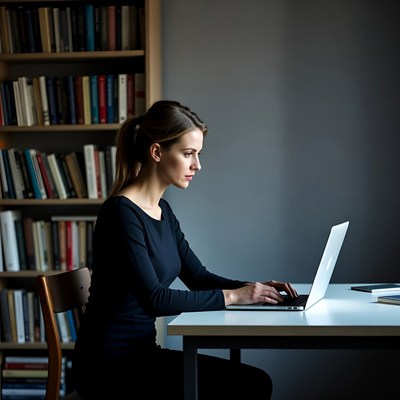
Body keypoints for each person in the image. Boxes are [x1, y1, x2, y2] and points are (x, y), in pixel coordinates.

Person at [72, 100, 298, 399]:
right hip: (111, 367)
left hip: (140, 354)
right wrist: (234, 297)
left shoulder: (162, 210)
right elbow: (155, 299)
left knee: (252, 382)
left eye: (198, 154)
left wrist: (252, 289)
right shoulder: (120, 213)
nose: (197, 165)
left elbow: (198, 276)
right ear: (157, 152)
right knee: (252, 384)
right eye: (188, 153)